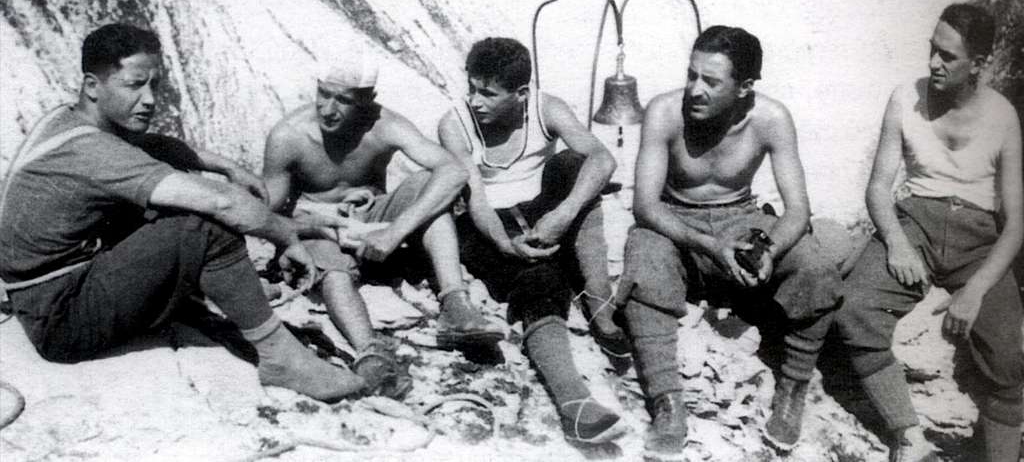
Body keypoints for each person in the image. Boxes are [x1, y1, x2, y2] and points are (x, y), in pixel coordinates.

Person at [0, 24, 362, 402]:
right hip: (63, 321)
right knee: (204, 224)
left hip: (44, 298)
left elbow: (149, 144)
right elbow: (221, 203)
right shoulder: (95, 153)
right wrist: (286, 235)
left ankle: (215, 291)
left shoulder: (70, 121)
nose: (149, 99)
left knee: (173, 191)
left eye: (154, 85)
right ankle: (280, 358)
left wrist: (226, 166)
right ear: (92, 86)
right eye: (135, 85)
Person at [617, 25, 842, 458]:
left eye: (711, 81)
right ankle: (667, 400)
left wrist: (770, 249)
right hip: (675, 222)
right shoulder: (664, 112)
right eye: (691, 75)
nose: (694, 90)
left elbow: (797, 210)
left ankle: (793, 389)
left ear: (744, 88)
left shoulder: (771, 119)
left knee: (814, 267)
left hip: (740, 219)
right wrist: (707, 245)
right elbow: (645, 206)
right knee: (644, 262)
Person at [835, 4, 1023, 462]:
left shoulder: (1003, 117)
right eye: (932, 50)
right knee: (856, 310)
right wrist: (897, 244)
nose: (934, 64)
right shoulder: (905, 98)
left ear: (977, 63)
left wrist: (975, 291)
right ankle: (906, 434)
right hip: (915, 221)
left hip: (979, 238)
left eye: (948, 56)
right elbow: (878, 187)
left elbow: (1016, 223)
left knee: (1008, 358)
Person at [261, 48, 503, 396]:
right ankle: (371, 354)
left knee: (426, 186)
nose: (329, 109)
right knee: (331, 266)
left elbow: (453, 170)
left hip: (374, 228)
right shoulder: (289, 137)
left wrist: (395, 230)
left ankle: (456, 305)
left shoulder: (383, 125)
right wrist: (319, 220)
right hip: (318, 229)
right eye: (324, 95)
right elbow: (265, 212)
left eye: (343, 100)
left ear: (367, 100)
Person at [437, 37, 627, 444]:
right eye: (471, 88)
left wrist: (563, 213)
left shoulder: (546, 108)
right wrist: (506, 245)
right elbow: (477, 201)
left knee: (577, 166)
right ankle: (575, 403)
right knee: (540, 281)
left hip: (542, 208)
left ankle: (599, 301)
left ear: (521, 94)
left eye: (487, 93)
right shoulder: (455, 125)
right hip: (486, 223)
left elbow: (603, 159)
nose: (475, 100)